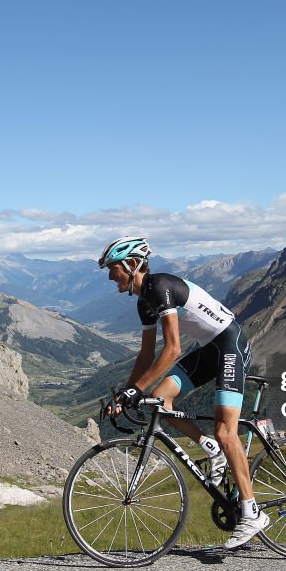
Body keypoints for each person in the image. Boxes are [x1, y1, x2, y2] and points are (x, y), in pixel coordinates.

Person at [98, 235, 269, 549]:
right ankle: (211, 450)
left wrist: (136, 389)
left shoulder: (158, 286)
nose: (111, 277)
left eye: (113, 269)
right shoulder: (143, 303)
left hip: (230, 346)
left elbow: (173, 348)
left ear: (131, 265)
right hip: (208, 349)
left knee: (225, 431)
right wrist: (126, 393)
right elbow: (146, 355)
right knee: (160, 401)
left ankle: (251, 512)